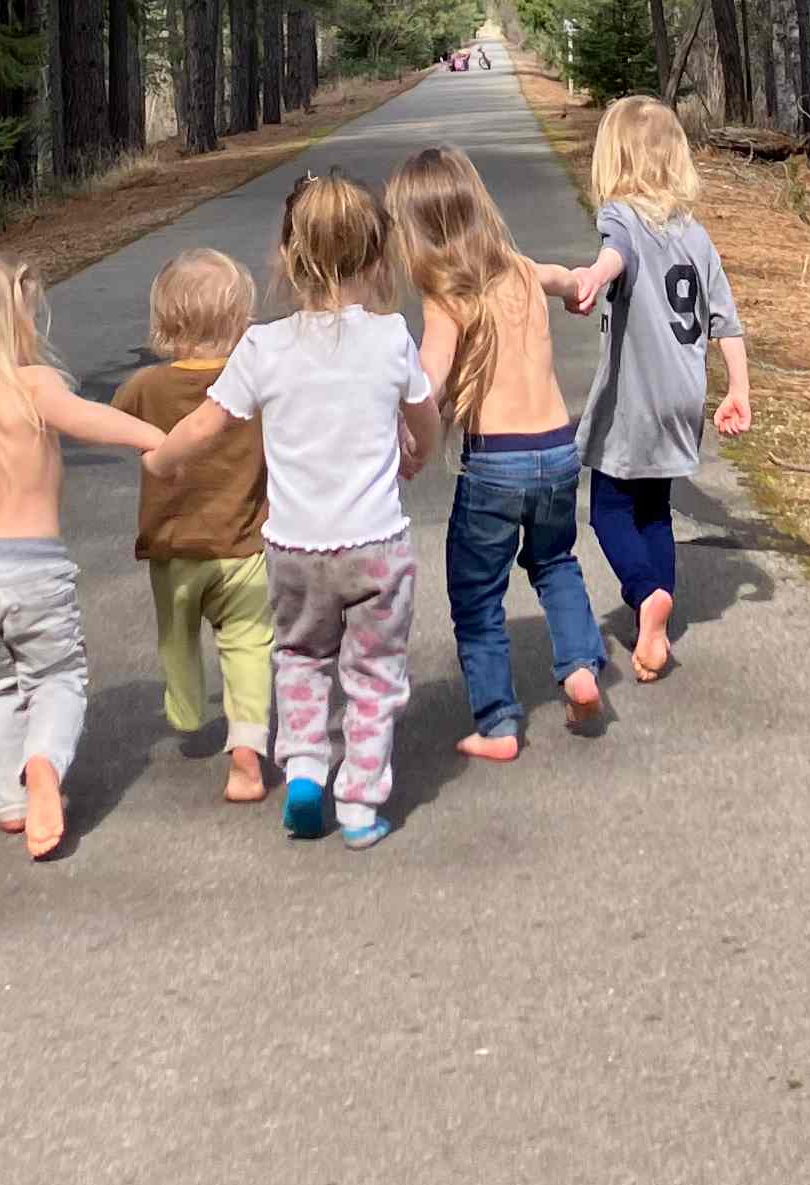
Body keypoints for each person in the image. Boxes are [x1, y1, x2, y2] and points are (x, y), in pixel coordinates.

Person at [153, 168, 436, 848]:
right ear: (377, 256)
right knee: (373, 674)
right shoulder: (391, 337)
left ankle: (306, 770)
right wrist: (417, 452)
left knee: (302, 658)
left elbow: (206, 424)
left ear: (286, 256)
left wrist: (162, 459)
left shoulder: (263, 346)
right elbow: (425, 418)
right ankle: (360, 803)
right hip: (375, 547)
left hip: (294, 550)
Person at [0, 251, 165, 859]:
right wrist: (153, 438)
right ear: (5, 325)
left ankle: (10, 801)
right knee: (57, 677)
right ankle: (43, 763)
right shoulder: (33, 386)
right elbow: (90, 419)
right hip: (33, 568)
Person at [387, 141, 606, 762]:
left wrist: (401, 426)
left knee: (478, 595)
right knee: (555, 562)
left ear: (417, 233)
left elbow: (429, 380)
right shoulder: (518, 268)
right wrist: (579, 287)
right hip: (557, 451)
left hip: (495, 465)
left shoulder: (446, 296)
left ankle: (499, 722)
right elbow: (566, 278)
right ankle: (580, 668)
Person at [569, 96, 752, 683]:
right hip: (684, 398)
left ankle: (647, 592)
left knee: (608, 509)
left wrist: (593, 277)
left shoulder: (622, 216)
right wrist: (738, 388)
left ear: (614, 160)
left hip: (637, 400)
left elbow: (614, 255)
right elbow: (725, 319)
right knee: (654, 509)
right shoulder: (695, 235)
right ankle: (655, 632)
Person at [111, 248, 274, 806]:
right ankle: (246, 751)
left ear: (164, 323)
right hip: (243, 545)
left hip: (173, 547)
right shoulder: (252, 383)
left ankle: (185, 709)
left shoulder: (146, 386)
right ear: (241, 319)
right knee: (248, 644)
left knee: (176, 635)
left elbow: (114, 422)